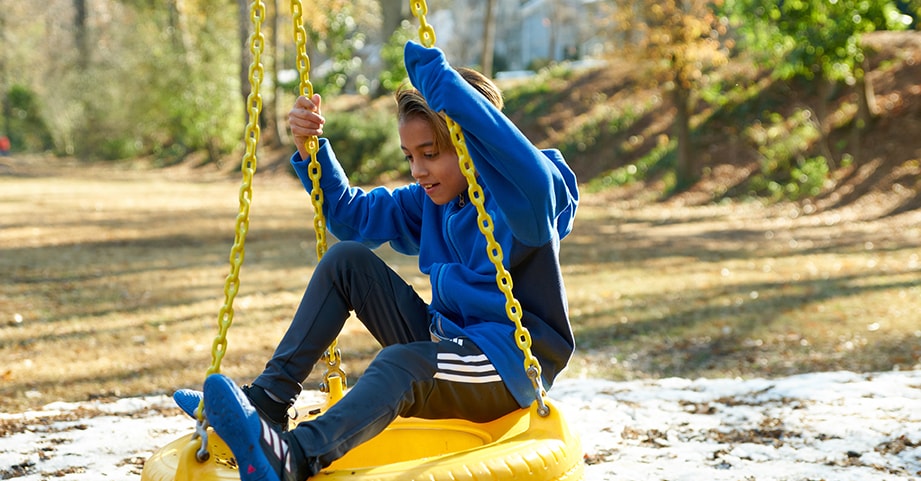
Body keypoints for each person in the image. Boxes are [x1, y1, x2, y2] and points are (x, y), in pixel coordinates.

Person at [175, 41, 579, 481]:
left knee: (400, 364)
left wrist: (450, 92)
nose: (418, 171)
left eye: (431, 153)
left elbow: (536, 188)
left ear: (473, 145)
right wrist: (311, 151)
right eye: (410, 157)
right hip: (446, 339)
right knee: (347, 260)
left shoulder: (524, 199)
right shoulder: (434, 202)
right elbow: (352, 217)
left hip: (506, 364)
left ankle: (295, 457)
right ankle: (269, 400)